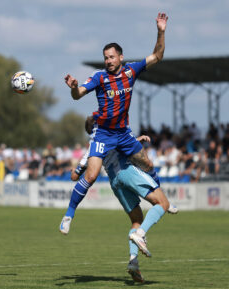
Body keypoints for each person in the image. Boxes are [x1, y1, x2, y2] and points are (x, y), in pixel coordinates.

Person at [63, 13, 168, 232]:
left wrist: (160, 31)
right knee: (90, 176)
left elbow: (157, 56)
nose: (108, 61)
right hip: (103, 133)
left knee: (147, 164)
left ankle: (164, 202)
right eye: (106, 58)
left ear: (120, 57)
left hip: (123, 133)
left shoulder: (131, 71)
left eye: (111, 57)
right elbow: (78, 94)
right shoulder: (99, 77)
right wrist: (74, 86)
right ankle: (69, 215)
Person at [60, 116, 178, 283]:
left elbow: (74, 176)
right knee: (163, 204)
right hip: (126, 171)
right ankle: (141, 234)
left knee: (136, 219)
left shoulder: (92, 149)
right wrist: (136, 141)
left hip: (115, 181)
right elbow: (122, 144)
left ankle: (133, 261)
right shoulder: (110, 133)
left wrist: (77, 169)